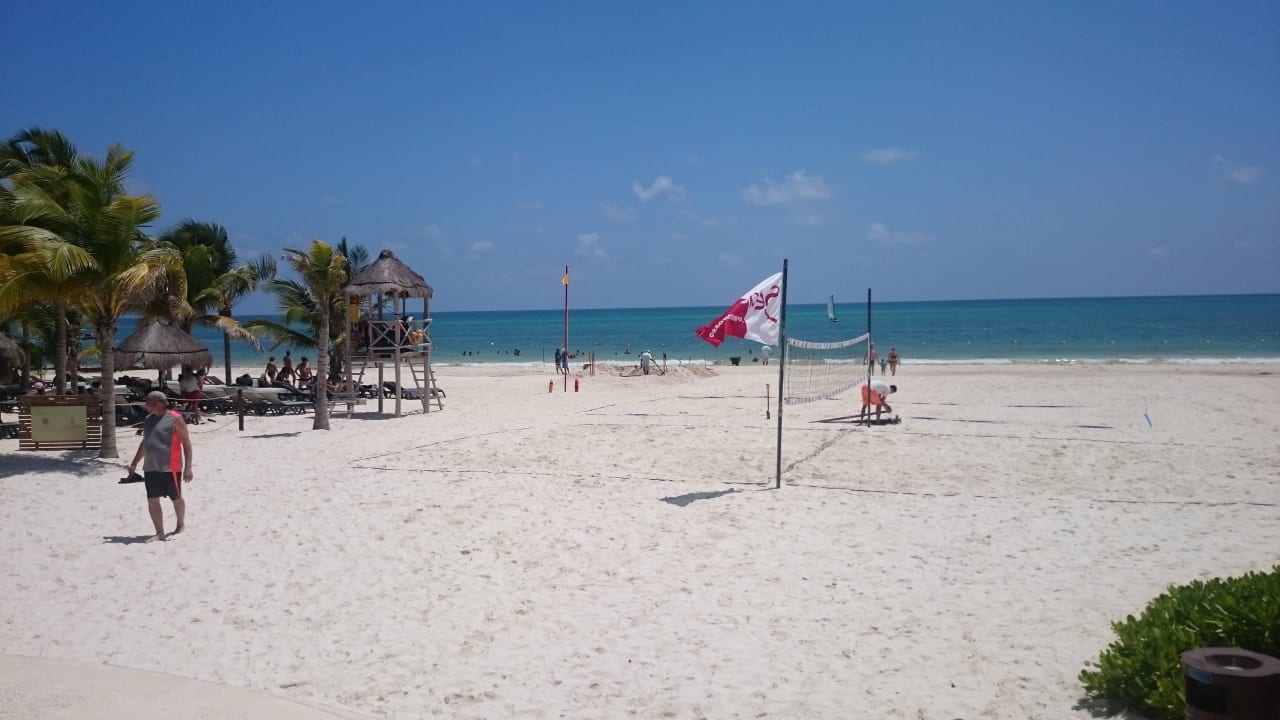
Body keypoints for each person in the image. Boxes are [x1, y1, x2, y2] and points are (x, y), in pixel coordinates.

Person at [127, 391, 193, 542]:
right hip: (150, 466)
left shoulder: (175, 418)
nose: (146, 405)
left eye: (149, 402)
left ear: (158, 403)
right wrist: (135, 462)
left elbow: (186, 444)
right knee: (152, 499)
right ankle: (159, 532)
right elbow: (145, 442)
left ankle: (180, 524)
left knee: (176, 498)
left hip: (170, 467)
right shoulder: (148, 419)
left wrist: (188, 468)